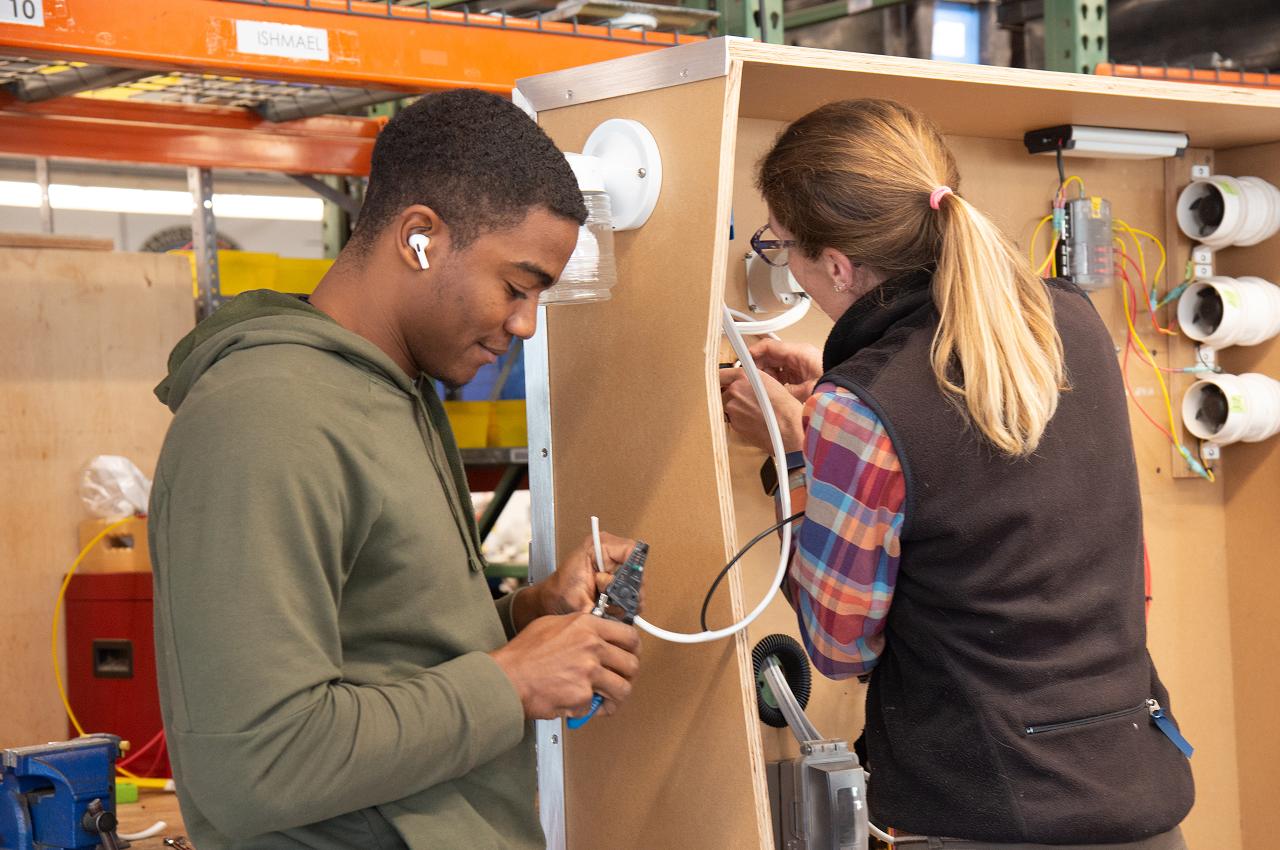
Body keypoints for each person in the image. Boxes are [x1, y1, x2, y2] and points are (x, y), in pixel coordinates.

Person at [148, 89, 642, 850]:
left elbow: (384, 647)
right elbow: (255, 759)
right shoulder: (266, 417)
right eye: (516, 287)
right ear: (419, 238)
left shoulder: (391, 392)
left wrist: (525, 619)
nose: (524, 323)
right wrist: (513, 682)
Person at [720, 99, 1193, 848]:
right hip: (1137, 791)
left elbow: (840, 646)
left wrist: (799, 450)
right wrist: (844, 412)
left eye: (781, 246)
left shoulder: (863, 407)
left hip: (986, 814)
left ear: (839, 266)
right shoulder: (1068, 321)